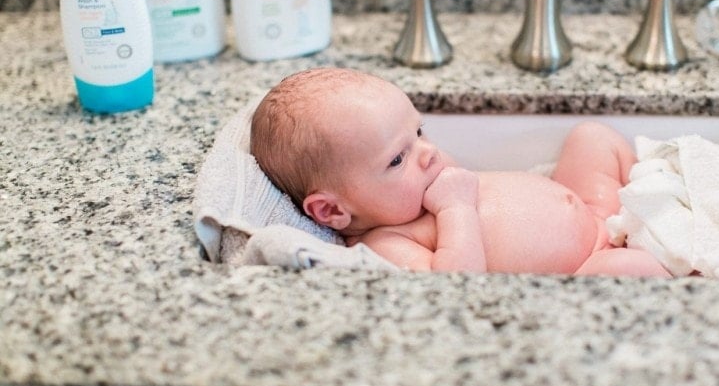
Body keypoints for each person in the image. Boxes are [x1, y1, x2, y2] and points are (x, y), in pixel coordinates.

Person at [250, 67, 671, 277]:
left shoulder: (424, 172)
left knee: (592, 135)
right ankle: (676, 255)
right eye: (397, 159)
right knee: (640, 269)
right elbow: (455, 284)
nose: (428, 154)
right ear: (332, 211)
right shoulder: (387, 243)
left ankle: (657, 206)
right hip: (590, 260)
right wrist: (455, 210)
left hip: (597, 209)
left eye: (418, 131)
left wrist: (415, 159)